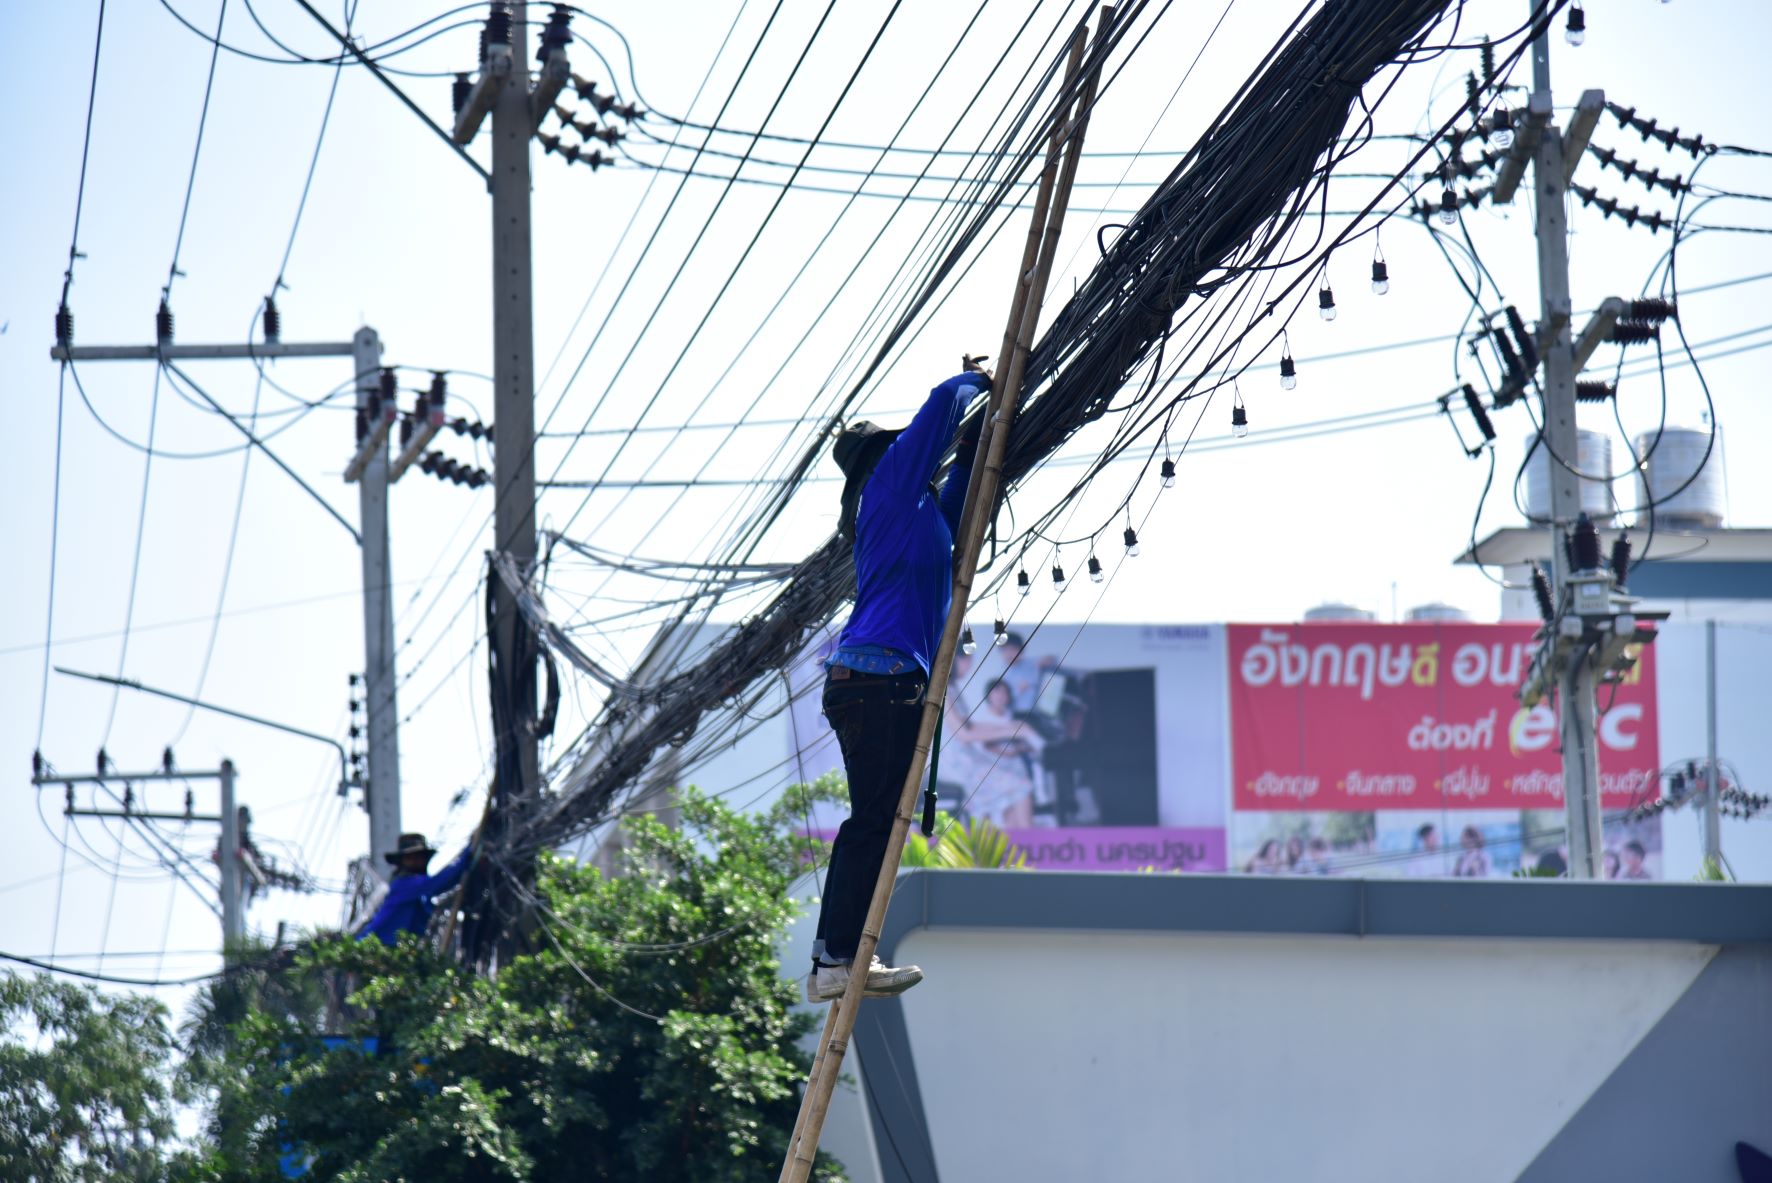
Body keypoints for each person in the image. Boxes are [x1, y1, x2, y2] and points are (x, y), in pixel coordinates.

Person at [808, 371, 987, 1004]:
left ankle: (839, 957)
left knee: (877, 821)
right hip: (877, 679)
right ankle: (836, 957)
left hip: (882, 681)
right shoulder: (886, 488)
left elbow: (963, 500)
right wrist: (976, 380)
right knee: (873, 822)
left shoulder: (921, 516)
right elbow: (940, 405)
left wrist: (976, 441)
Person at [356, 833, 473, 946]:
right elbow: (440, 882)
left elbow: (447, 882)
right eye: (410, 858)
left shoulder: (422, 890)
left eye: (419, 856)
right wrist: (468, 852)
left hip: (399, 947)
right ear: (402, 861)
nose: (416, 860)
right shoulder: (404, 884)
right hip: (375, 946)